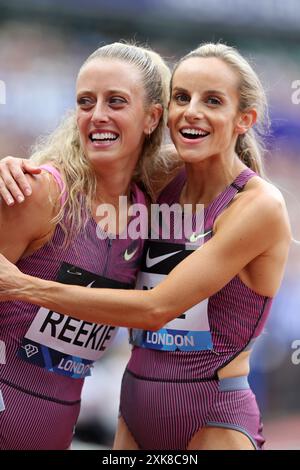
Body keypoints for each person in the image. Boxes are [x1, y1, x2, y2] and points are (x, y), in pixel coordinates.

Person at [0, 43, 291, 450]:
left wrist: (24, 286)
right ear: (163, 113)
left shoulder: (257, 206)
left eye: (212, 100)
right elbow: (98, 160)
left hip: (211, 414)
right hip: (133, 411)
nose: (192, 111)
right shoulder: (157, 182)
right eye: (182, 97)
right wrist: (13, 166)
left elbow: (155, 309)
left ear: (245, 118)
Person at [0, 42, 171, 449]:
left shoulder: (148, 213)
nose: (97, 116)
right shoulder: (39, 191)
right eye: (85, 102)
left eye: (116, 102)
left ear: (152, 117)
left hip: (56, 429)